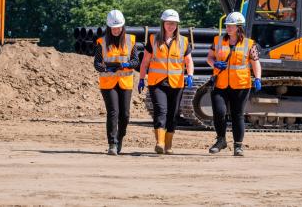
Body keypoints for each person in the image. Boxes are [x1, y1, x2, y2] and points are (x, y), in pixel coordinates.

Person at [138, 9, 194, 155]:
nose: (171, 26)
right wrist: (141, 78)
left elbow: (189, 61)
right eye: (169, 23)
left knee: (173, 114)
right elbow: (145, 62)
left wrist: (190, 74)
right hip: (157, 83)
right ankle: (160, 143)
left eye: (174, 24)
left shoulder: (183, 41)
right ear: (163, 24)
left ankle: (168, 145)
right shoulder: (153, 39)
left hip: (176, 83)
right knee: (160, 111)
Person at [206, 11, 262, 157]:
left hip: (241, 85)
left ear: (239, 27)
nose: (229, 28)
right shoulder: (218, 40)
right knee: (219, 113)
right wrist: (214, 63)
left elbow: (255, 63)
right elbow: (209, 57)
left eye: (232, 26)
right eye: (227, 25)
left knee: (237, 115)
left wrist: (257, 78)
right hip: (220, 83)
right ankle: (221, 140)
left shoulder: (250, 44)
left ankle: (238, 146)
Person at [93, 9, 139, 156]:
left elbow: (136, 60)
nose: (116, 30)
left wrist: (126, 65)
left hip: (125, 81)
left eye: (118, 27)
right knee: (113, 112)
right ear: (109, 27)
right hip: (108, 82)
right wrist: (106, 67)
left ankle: (120, 138)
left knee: (124, 114)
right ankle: (112, 144)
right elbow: (97, 63)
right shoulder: (102, 42)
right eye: (113, 27)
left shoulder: (130, 40)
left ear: (123, 26)